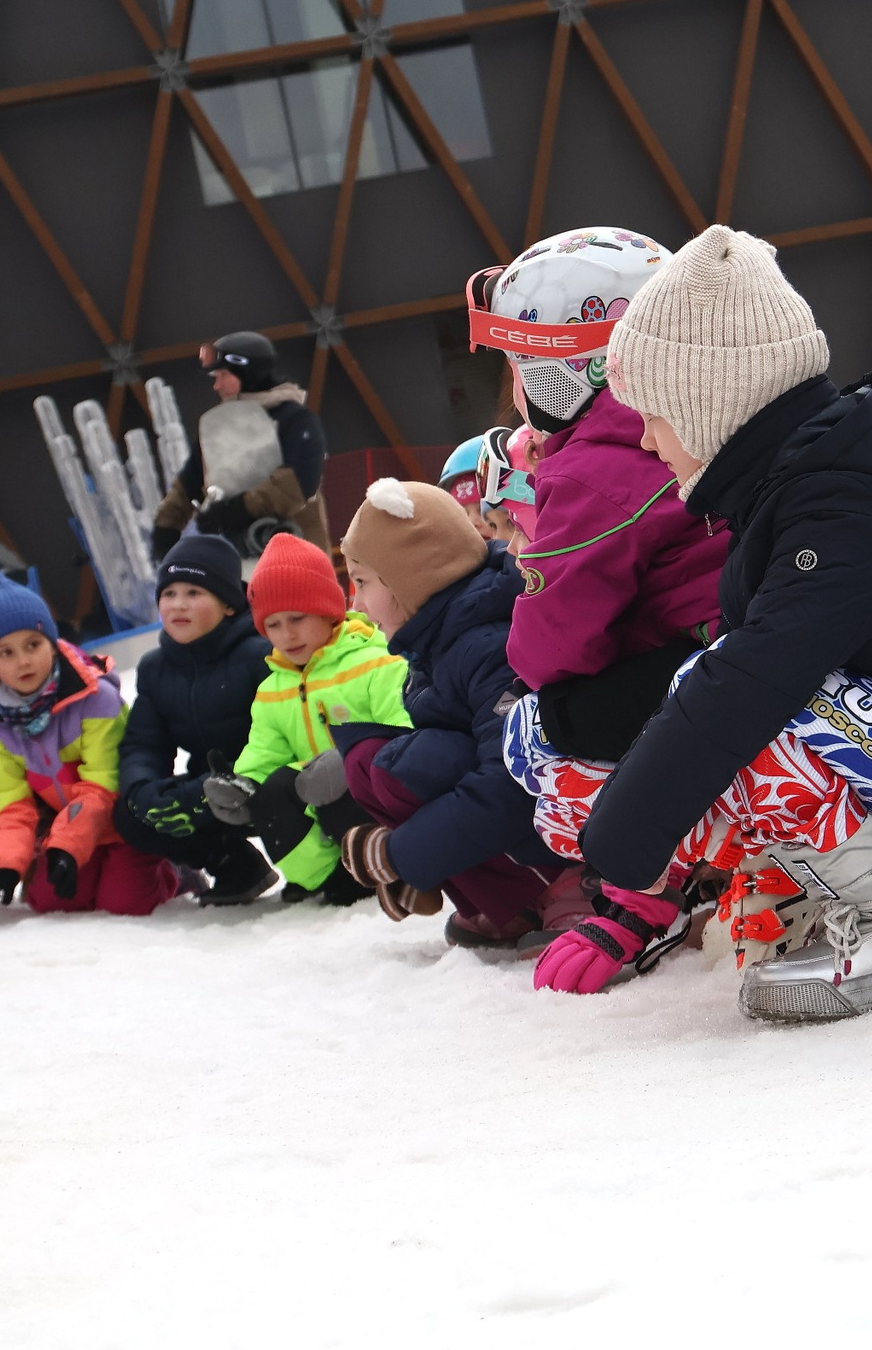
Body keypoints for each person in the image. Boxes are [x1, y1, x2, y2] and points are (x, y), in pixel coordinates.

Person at [509, 225, 872, 1021]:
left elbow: (756, 677)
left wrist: (626, 841)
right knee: (634, 716)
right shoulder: (792, 485)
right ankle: (854, 904)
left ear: (708, 404)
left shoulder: (841, 501)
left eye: (654, 415)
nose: (643, 437)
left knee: (769, 698)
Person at [467, 228, 729, 928]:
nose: (517, 390)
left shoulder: (595, 467)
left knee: (540, 730)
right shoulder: (698, 411)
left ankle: (643, 879)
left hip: (706, 662)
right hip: (742, 640)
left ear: (565, 369)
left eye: (517, 366)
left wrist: (525, 674)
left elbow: (556, 640)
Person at [327, 480, 569, 945]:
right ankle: (504, 903)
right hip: (522, 820)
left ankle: (561, 888)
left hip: (561, 825)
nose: (354, 604)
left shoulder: (484, 645)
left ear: (410, 577)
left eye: (361, 581)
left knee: (414, 763)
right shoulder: (438, 639)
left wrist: (402, 854)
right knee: (366, 757)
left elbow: (515, 781)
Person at [203, 532, 403, 907]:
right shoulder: (273, 689)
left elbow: (405, 730)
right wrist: (242, 784)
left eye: (297, 618)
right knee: (272, 789)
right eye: (273, 625)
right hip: (315, 816)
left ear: (329, 610)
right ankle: (326, 877)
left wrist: (349, 760)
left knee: (331, 790)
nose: (286, 634)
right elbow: (265, 750)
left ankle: (375, 868)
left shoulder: (373, 662)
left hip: (373, 805)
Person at [0, 574, 176, 917]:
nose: (23, 661)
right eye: (6, 652)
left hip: (124, 824)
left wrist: (65, 846)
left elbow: (104, 783)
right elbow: (10, 802)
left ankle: (173, 870)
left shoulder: (95, 697)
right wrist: (4, 864)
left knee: (124, 904)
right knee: (50, 903)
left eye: (33, 644)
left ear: (52, 642)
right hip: (71, 830)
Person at [112, 537, 282, 907]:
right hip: (206, 793)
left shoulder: (260, 655)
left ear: (228, 605)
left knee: (286, 786)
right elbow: (143, 743)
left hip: (263, 779)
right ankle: (233, 864)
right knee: (129, 812)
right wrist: (142, 790)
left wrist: (215, 785)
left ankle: (319, 868)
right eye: (169, 593)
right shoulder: (156, 669)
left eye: (193, 592)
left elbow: (280, 738)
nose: (178, 604)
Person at [149, 332, 331, 559]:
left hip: (294, 553)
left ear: (248, 372)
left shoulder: (294, 419)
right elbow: (189, 482)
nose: (217, 385)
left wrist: (239, 509)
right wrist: (166, 526)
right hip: (235, 556)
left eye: (223, 375)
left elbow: (299, 481)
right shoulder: (216, 426)